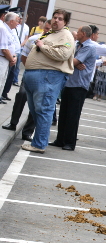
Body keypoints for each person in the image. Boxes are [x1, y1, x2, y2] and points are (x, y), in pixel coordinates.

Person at [21, 9, 75, 154]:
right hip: (36, 76)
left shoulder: (66, 36)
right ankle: (38, 140)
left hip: (49, 76)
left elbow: (64, 54)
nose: (56, 20)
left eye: (60, 19)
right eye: (54, 17)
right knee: (36, 111)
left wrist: (43, 47)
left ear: (65, 22)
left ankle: (39, 144)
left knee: (44, 109)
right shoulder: (51, 33)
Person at [48, 26, 96, 151]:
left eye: (79, 32)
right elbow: (72, 59)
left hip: (79, 85)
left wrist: (73, 61)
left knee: (73, 115)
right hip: (70, 82)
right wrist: (72, 61)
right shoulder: (77, 44)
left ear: (84, 33)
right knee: (64, 113)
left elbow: (74, 61)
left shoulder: (89, 46)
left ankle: (69, 142)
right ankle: (60, 140)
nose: (76, 34)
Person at [1, 19, 51, 140]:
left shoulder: (53, 43)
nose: (47, 31)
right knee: (22, 95)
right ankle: (13, 123)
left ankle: (27, 132)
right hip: (30, 72)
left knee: (36, 103)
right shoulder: (34, 39)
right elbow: (24, 56)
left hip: (44, 76)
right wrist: (29, 69)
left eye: (49, 30)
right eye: (46, 29)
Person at [0, 12, 20, 103]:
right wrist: (12, 59)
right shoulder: (3, 29)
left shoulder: (9, 30)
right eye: (17, 21)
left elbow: (12, 46)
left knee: (2, 84)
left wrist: (14, 56)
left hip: (7, 60)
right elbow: (4, 49)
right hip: (2, 59)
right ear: (11, 21)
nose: (18, 23)